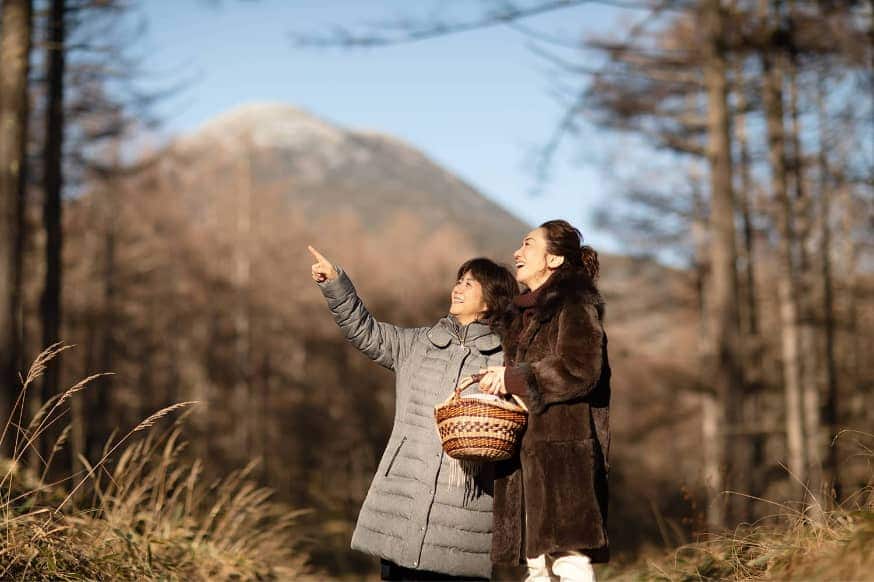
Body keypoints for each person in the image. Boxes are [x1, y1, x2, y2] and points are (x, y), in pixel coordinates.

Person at [308, 245, 518, 581]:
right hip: (401, 501)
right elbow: (364, 330)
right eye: (458, 280)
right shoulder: (417, 344)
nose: (458, 287)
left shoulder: (505, 362)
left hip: (464, 511)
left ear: (491, 300)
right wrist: (336, 283)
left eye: (470, 283)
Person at [477, 220, 611, 582]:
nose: (516, 254)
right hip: (522, 458)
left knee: (569, 562)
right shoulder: (521, 316)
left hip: (564, 454)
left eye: (527, 245)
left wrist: (513, 378)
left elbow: (582, 369)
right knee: (536, 567)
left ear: (553, 260)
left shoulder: (574, 303)